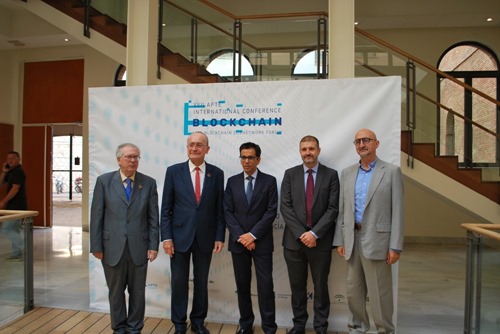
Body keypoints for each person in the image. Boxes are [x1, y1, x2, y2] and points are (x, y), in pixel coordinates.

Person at [333, 128, 404, 334]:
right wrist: (340, 240)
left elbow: (398, 211)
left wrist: (395, 246)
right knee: (354, 291)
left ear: (376, 143)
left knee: (380, 293)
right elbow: (342, 209)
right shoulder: (347, 173)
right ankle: (357, 328)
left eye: (366, 140)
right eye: (357, 142)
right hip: (352, 239)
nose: (361, 145)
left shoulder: (391, 171)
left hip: (379, 241)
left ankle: (385, 330)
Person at [90, 143, 159, 334]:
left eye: (136, 157)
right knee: (115, 292)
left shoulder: (148, 183)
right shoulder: (104, 181)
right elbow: (96, 216)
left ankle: (135, 328)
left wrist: (154, 245)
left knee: (138, 292)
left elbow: (154, 217)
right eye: (129, 157)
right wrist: (96, 245)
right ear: (118, 160)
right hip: (111, 247)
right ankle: (119, 328)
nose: (133, 160)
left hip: (139, 246)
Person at [161, 131, 225, 334]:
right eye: (191, 144)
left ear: (207, 149)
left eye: (199, 145)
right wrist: (167, 237)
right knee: (179, 283)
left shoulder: (217, 173)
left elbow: (219, 209)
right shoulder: (173, 171)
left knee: (201, 282)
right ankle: (179, 324)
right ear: (187, 147)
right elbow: (166, 209)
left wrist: (219, 236)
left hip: (205, 238)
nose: (194, 148)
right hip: (179, 238)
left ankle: (198, 321)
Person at [280, 135, 340, 334]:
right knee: (297, 287)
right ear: (300, 152)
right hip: (294, 243)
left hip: (320, 243)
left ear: (318, 150)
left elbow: (333, 208)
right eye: (304, 149)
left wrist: (314, 234)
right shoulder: (290, 174)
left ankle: (320, 326)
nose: (308, 152)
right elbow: (285, 207)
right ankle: (299, 326)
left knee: (321, 287)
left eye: (312, 148)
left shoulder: (331, 175)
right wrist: (302, 234)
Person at [224, 142, 278, 334]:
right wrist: (242, 236)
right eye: (243, 157)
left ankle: (269, 327)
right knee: (242, 285)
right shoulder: (231, 182)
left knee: (265, 286)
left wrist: (253, 235)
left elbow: (271, 212)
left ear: (258, 159)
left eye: (250, 157)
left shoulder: (269, 181)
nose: (246, 161)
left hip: (261, 242)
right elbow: (228, 212)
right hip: (239, 244)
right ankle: (246, 324)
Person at [0, 151, 28, 262]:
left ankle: (25, 248)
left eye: (13, 158)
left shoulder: (19, 172)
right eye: (8, 158)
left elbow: (15, 189)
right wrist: (3, 171)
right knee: (14, 229)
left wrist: (3, 201)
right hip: (12, 205)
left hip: (17, 206)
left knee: (6, 229)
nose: (9, 160)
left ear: (18, 159)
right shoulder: (11, 172)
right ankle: (17, 253)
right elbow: (1, 184)